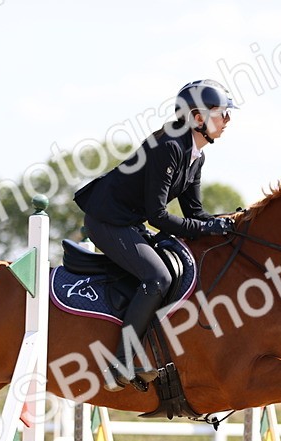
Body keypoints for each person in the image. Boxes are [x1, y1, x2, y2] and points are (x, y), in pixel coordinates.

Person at [73, 79, 238, 391]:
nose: (227, 121)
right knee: (158, 277)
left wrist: (230, 224)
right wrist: (206, 228)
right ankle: (120, 362)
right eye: (222, 114)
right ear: (198, 118)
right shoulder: (170, 148)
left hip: (129, 222)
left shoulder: (196, 156)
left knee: (174, 269)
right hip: (107, 220)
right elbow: (158, 216)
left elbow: (194, 213)